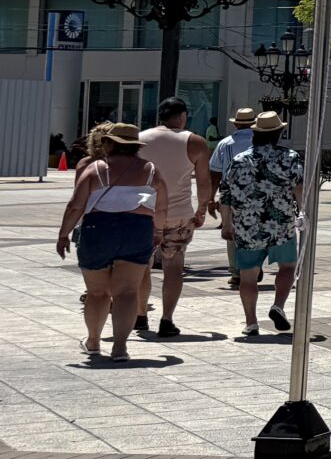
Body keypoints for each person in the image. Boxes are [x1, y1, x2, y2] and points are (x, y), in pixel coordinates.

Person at [55, 123, 156, 361]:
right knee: (128, 292)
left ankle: (93, 341)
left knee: (97, 293)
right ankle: (120, 347)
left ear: (110, 144)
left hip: (98, 229)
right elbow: (160, 205)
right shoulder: (151, 170)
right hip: (137, 229)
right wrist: (159, 231)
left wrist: (63, 234)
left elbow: (76, 205)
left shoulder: (95, 168)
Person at [218, 111, 304, 339]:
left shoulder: (239, 160)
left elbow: (225, 194)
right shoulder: (290, 157)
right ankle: (278, 305)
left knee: (247, 276)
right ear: (279, 134)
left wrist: (227, 224)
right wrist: (304, 212)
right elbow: (299, 187)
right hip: (281, 222)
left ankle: (251, 322)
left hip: (248, 224)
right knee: (287, 267)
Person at [136, 98, 213, 339]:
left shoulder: (139, 139)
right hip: (179, 214)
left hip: (145, 213)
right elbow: (203, 181)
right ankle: (167, 319)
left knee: (142, 267)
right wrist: (202, 208)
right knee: (173, 267)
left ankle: (140, 315)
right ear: (183, 116)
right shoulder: (194, 142)